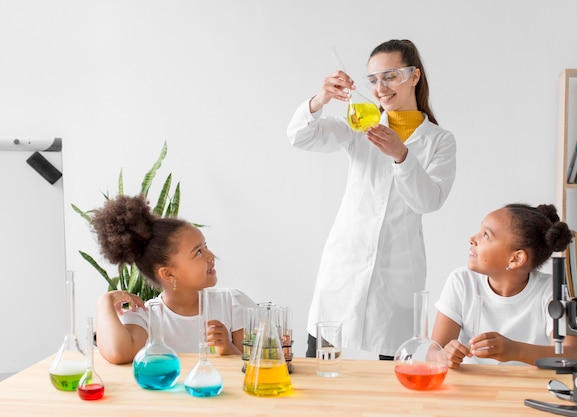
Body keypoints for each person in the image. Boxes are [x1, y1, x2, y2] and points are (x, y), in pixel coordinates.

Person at [286, 39, 456, 359]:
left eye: (390, 76)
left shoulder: (440, 141)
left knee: (390, 370)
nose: (381, 87)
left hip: (397, 273)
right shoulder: (361, 126)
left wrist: (402, 156)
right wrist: (321, 99)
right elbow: (300, 136)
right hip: (345, 264)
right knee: (320, 363)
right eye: (374, 80)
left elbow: (429, 201)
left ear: (414, 76)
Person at [92, 194, 256, 365]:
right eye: (198, 252)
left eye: (205, 246)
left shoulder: (232, 303)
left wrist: (228, 349)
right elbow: (118, 353)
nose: (211, 256)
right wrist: (105, 301)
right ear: (168, 274)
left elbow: (261, 367)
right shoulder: (147, 318)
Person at [431, 203, 577, 368]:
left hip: (526, 389)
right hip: (472, 388)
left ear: (516, 259)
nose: (472, 239)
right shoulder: (461, 282)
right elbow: (432, 352)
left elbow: (573, 355)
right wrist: (444, 356)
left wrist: (514, 350)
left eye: (486, 235)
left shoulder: (550, 291)